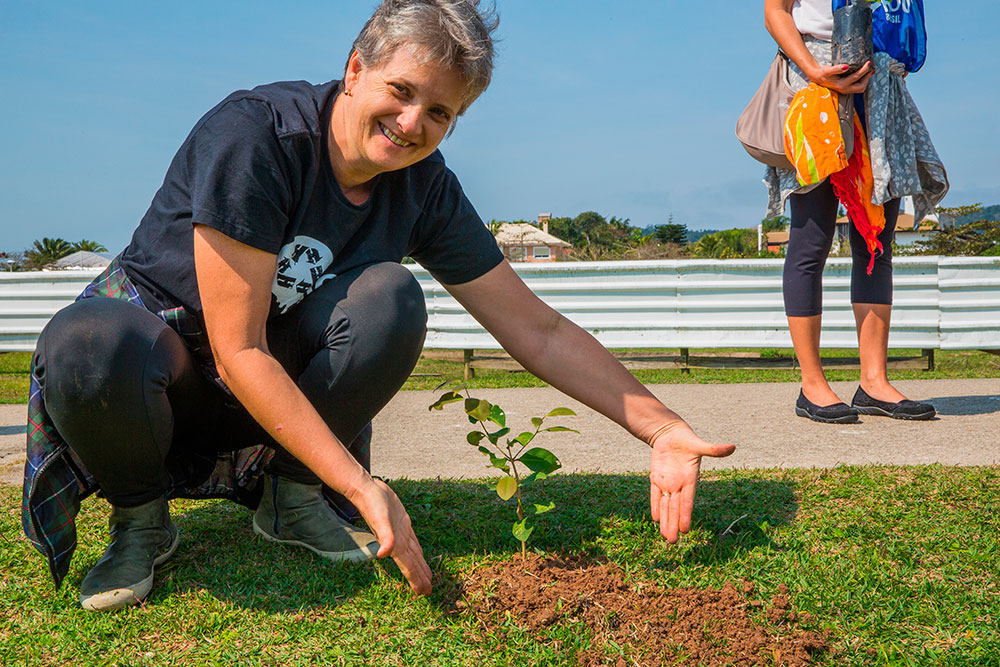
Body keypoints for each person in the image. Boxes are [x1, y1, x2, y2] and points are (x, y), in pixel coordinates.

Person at [22, 0, 735, 612]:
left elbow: (537, 328)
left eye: (440, 112)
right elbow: (237, 350)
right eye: (401, 89)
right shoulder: (256, 136)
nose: (410, 122)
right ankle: (141, 520)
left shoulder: (423, 185)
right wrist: (362, 484)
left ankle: (292, 499)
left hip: (275, 392)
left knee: (392, 295)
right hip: (163, 375)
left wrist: (662, 427)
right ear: (355, 69)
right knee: (85, 341)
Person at [762, 0, 947, 424]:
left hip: (882, 87)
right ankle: (812, 385)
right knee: (812, 237)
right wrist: (812, 68)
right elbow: (776, 12)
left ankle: (873, 382)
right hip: (819, 84)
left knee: (876, 241)